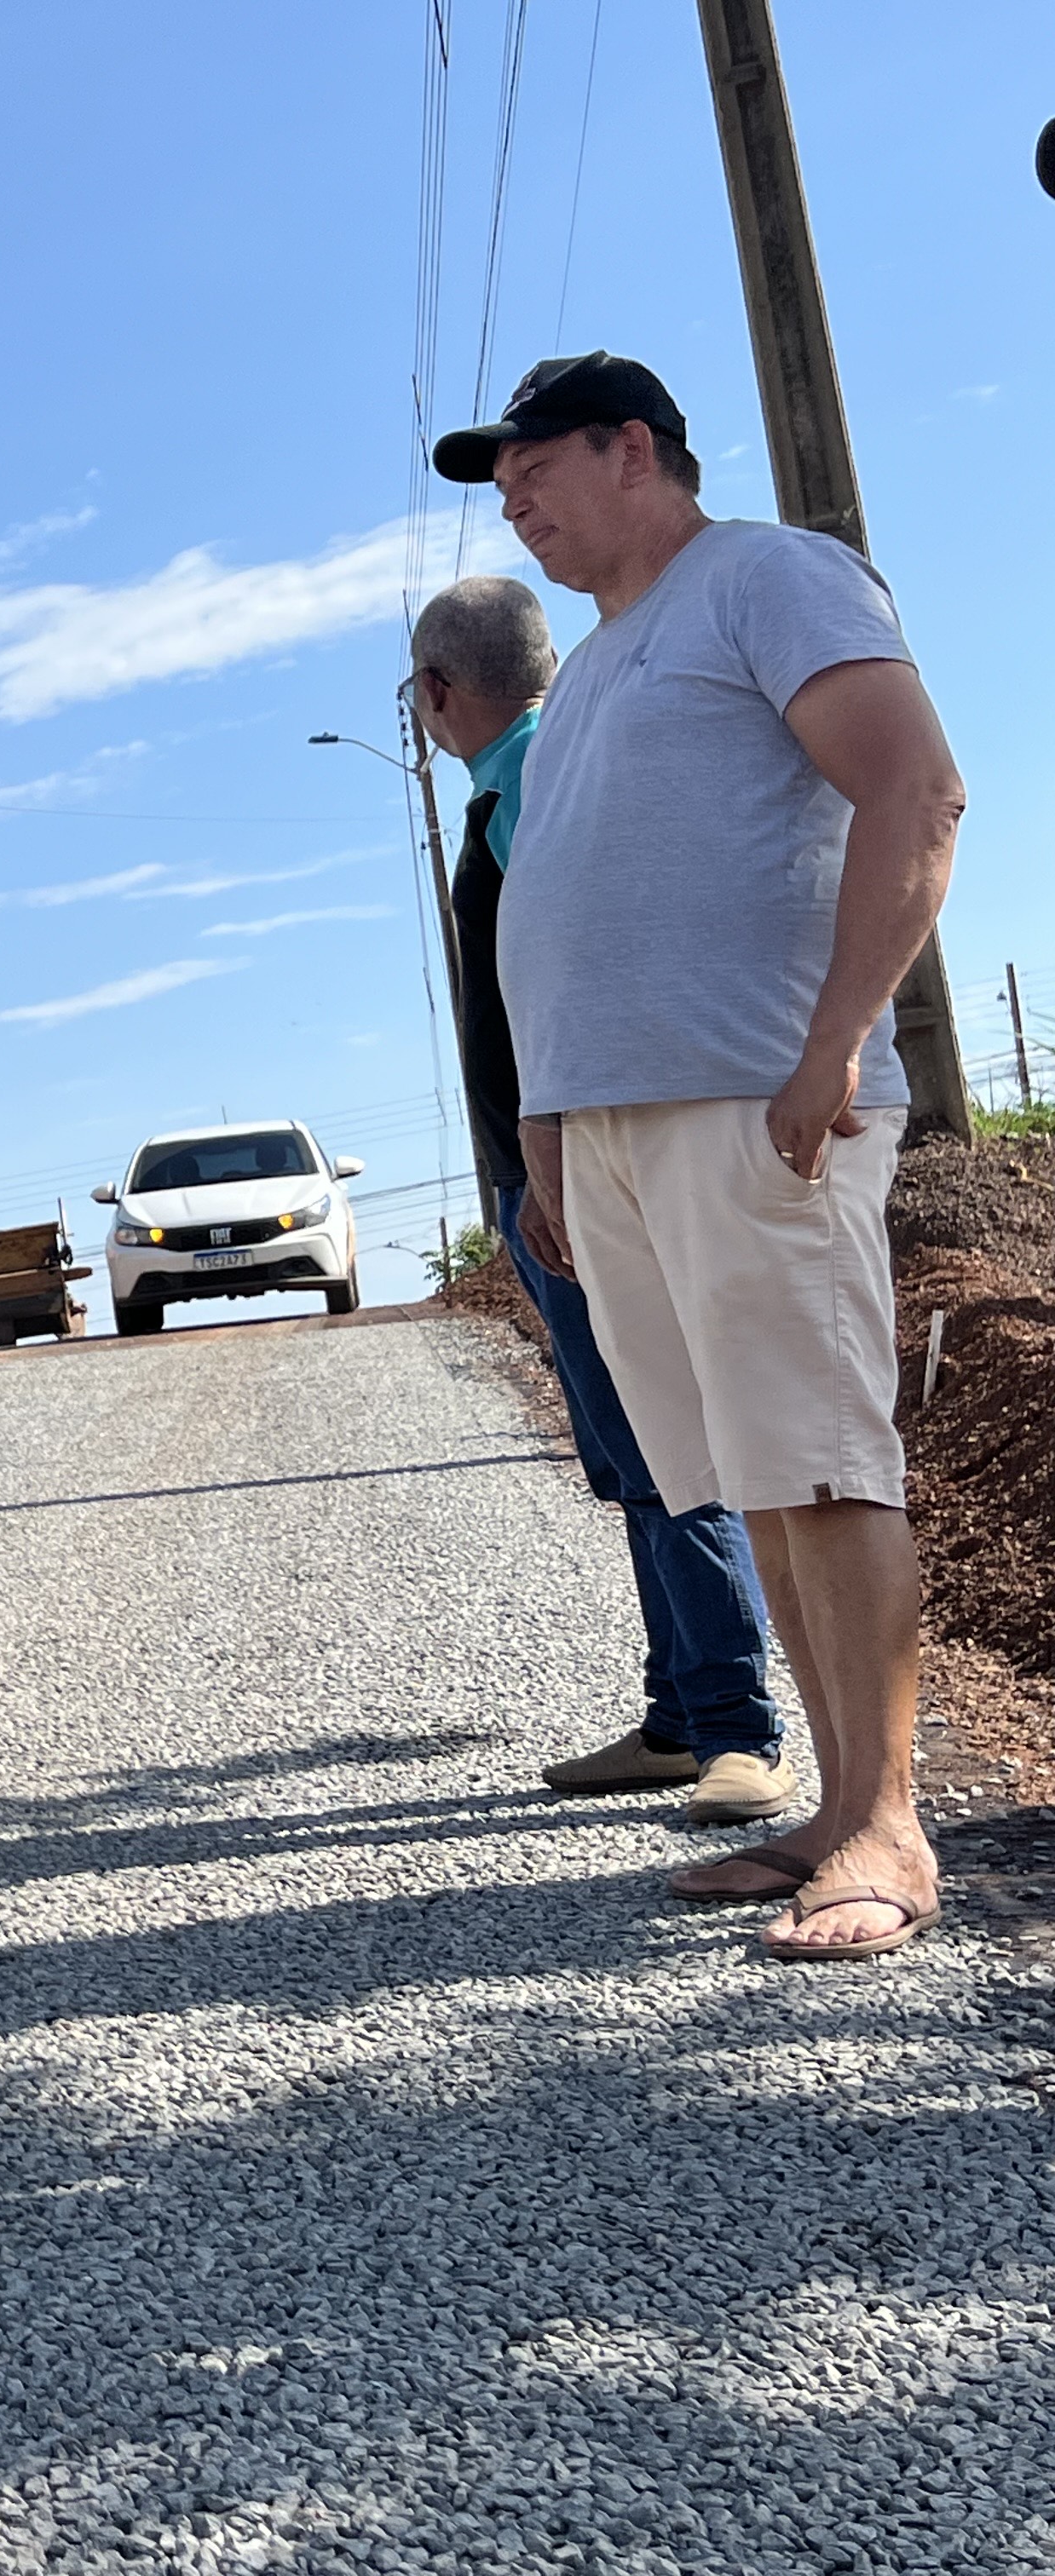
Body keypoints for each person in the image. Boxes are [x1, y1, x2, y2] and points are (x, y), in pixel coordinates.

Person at [439, 351, 967, 1960]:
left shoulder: (768, 576)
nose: (513, 495)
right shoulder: (597, 665)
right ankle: (824, 1797)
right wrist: (547, 1136)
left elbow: (914, 786)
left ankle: (888, 1825)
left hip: (752, 1106)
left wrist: (829, 1046)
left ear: (632, 449)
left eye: (531, 462)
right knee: (749, 1477)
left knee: (821, 1454)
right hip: (616, 1135)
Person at [408, 574, 789, 1822]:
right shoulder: (526, 776)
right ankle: (681, 1711)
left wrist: (551, 1156)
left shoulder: (533, 787)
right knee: (630, 1450)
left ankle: (735, 1721)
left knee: (662, 1436)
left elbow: (576, 975)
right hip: (567, 1159)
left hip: (577, 1164)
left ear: (435, 696)